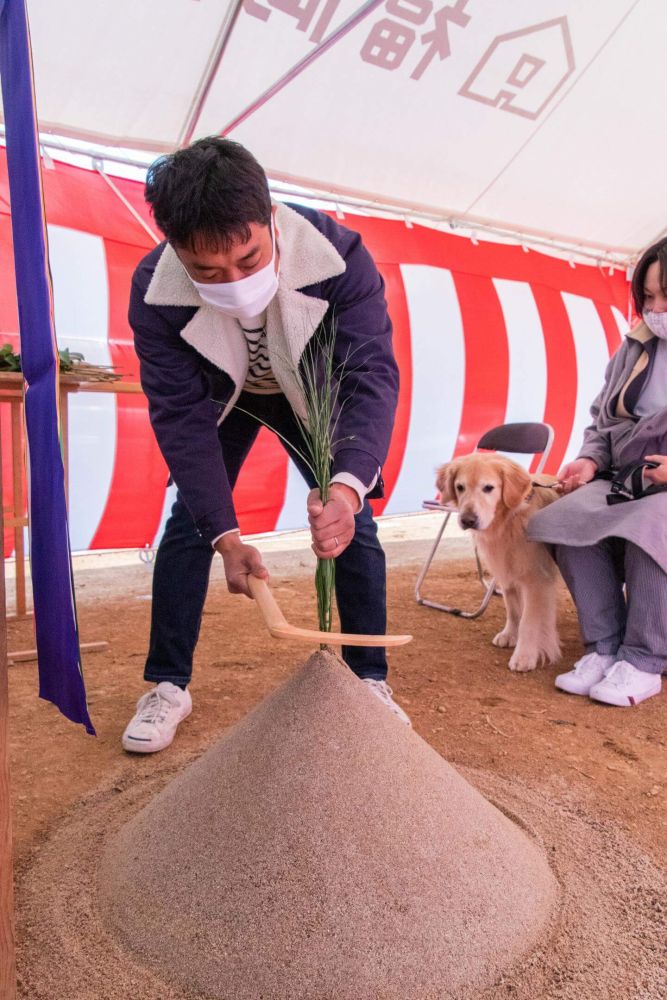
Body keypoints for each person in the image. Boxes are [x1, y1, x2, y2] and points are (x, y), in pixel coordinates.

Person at [121, 137, 410, 753]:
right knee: (190, 526)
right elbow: (178, 416)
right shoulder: (153, 291)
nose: (232, 281)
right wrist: (226, 536)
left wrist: (348, 484)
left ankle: (369, 679)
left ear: (271, 216)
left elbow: (370, 375)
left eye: (249, 260)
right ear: (174, 247)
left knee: (350, 522)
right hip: (223, 398)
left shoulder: (339, 258)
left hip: (309, 392)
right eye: (207, 271)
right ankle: (168, 684)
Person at [528, 237, 667, 707]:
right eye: (647, 297)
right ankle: (604, 648)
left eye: (666, 295)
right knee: (565, 517)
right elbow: (604, 421)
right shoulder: (635, 345)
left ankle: (645, 660)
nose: (655, 308)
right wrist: (590, 460)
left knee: (652, 525)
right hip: (628, 474)